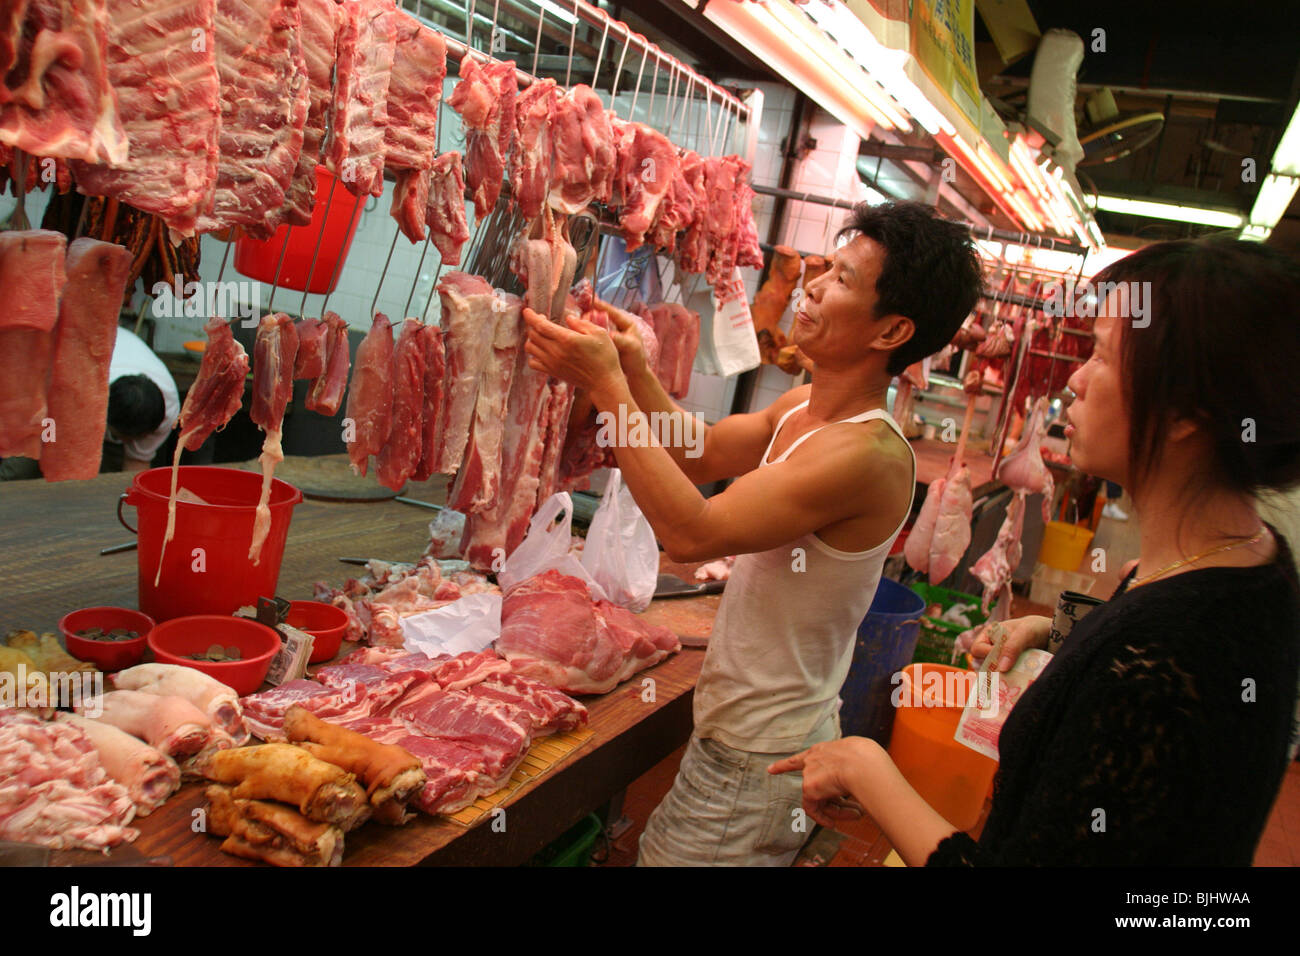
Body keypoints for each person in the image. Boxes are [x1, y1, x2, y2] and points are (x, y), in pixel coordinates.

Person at [770, 236, 1300, 866]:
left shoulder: (1165, 662)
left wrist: (868, 771)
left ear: (1187, 412)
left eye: (1100, 355)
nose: (1074, 379)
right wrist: (1053, 631)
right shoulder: (1255, 560)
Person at [522, 200, 983, 865]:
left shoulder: (866, 457)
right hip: (745, 739)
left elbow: (691, 533)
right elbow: (700, 450)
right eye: (823, 269)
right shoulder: (804, 405)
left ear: (892, 332)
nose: (813, 286)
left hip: (757, 760)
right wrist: (635, 372)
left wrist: (607, 386)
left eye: (843, 280)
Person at [104, 327, 180, 473]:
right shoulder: (86, 394)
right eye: (118, 436)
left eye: (135, 439)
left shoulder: (169, 411)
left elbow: (137, 462)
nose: (129, 443)